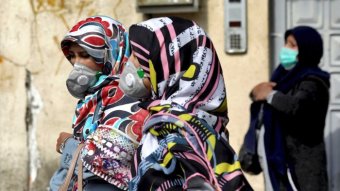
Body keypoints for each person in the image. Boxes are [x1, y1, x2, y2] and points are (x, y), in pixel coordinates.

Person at [118, 17, 252, 191]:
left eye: (137, 56)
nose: (130, 62)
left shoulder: (177, 127)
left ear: (165, 63)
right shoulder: (182, 120)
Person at [49, 16, 148, 191]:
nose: (77, 63)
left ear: (111, 53)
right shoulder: (94, 96)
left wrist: (67, 145)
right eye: (72, 56)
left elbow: (107, 159)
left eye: (85, 55)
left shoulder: (128, 96)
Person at [246, 26, 330, 190]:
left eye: (292, 45)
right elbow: (263, 102)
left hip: (302, 168)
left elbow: (297, 108)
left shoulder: (313, 82)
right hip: (279, 162)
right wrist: (256, 92)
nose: (286, 49)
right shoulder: (282, 78)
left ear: (306, 51)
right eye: (286, 43)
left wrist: (270, 95)